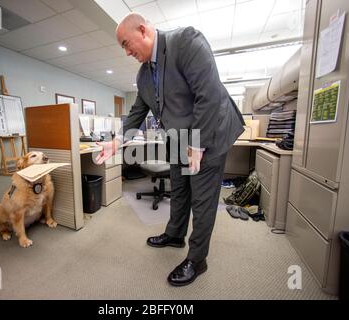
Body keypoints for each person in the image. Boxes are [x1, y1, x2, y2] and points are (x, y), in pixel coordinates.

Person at [96, 13, 245, 286]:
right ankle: (175, 235)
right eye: (124, 48)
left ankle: (198, 259)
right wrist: (117, 141)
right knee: (179, 188)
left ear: (143, 30)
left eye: (127, 44)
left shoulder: (185, 41)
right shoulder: (143, 77)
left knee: (202, 198)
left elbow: (208, 95)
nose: (128, 52)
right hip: (179, 137)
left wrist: (197, 144)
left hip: (209, 130)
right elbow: (136, 115)